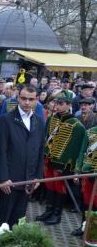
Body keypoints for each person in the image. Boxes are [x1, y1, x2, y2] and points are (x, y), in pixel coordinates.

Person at [0, 86, 45, 229]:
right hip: (10, 181)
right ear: (18, 98)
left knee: (18, 220)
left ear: (36, 100)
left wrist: (37, 176)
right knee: (3, 221)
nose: (27, 102)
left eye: (31, 99)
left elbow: (41, 151)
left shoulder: (40, 121)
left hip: (28, 181)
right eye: (23, 98)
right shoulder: (6, 120)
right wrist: (3, 178)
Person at [37, 90, 86, 225]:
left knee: (59, 188)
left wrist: (66, 166)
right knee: (49, 185)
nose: (57, 105)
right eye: (56, 102)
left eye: (61, 103)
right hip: (48, 160)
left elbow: (74, 149)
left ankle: (57, 214)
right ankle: (49, 210)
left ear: (69, 105)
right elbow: (46, 138)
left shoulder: (77, 125)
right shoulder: (52, 119)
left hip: (62, 164)